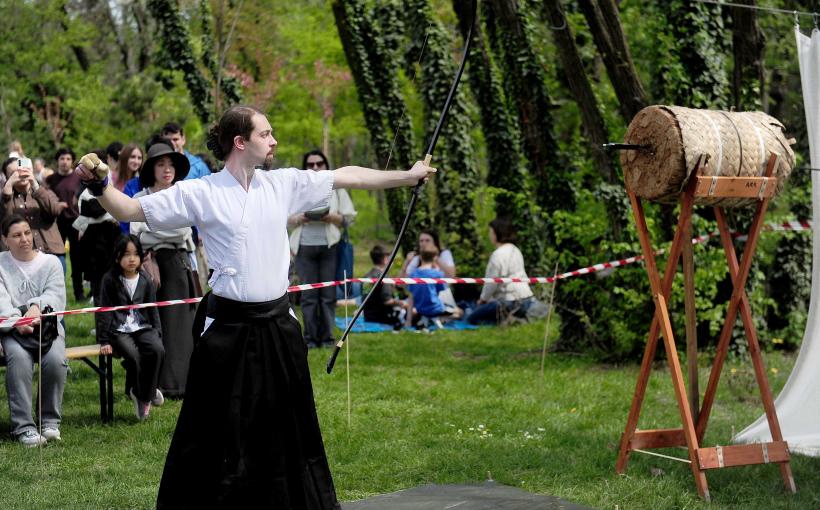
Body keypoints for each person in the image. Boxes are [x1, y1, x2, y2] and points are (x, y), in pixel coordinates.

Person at [74, 104, 435, 509]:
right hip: (226, 331)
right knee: (214, 433)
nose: (274, 140)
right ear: (240, 142)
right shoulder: (202, 191)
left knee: (288, 430)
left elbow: (347, 174)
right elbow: (130, 210)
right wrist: (102, 184)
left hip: (279, 326)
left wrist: (408, 175)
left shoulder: (282, 184)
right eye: (266, 134)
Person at [129, 142, 197, 399]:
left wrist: (152, 227)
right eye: (160, 164)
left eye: (171, 164)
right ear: (151, 168)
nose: (167, 169)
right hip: (147, 265)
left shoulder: (183, 194)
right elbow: (135, 232)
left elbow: (183, 230)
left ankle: (177, 383)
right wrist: (159, 229)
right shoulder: (140, 198)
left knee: (178, 325)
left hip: (177, 264)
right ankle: (146, 382)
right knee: (149, 324)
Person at [0, 215, 67, 446]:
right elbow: (1, 302)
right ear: (5, 239)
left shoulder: (51, 263)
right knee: (18, 360)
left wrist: (36, 307)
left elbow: (56, 295)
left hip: (47, 328)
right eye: (17, 235)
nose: (24, 239)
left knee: (56, 360)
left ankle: (49, 422)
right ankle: (24, 427)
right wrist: (20, 321)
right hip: (11, 329)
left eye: (27, 233)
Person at [288, 149, 357, 348]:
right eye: (311, 164)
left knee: (327, 295)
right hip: (303, 248)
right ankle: (310, 339)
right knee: (309, 296)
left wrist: (332, 217)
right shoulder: (296, 188)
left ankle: (327, 338)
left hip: (330, 246)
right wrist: (299, 218)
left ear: (326, 165)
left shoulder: (337, 187)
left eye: (319, 163)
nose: (316, 167)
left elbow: (348, 219)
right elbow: (284, 218)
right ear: (305, 167)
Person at [97, 235, 164, 420]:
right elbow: (104, 311)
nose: (132, 259)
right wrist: (103, 340)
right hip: (117, 330)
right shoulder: (109, 280)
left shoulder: (146, 280)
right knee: (133, 357)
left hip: (143, 326)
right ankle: (146, 395)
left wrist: (158, 332)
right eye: (126, 254)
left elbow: (153, 309)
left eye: (136, 254)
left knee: (157, 350)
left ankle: (143, 394)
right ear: (118, 257)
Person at [466, 216, 535, 324]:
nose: (489, 235)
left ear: (496, 234)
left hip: (508, 302)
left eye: (491, 232)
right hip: (526, 300)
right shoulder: (515, 250)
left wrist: (482, 300)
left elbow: (491, 282)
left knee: (471, 317)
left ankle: (506, 320)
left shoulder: (497, 255)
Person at [1, 158, 66, 259]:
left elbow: (55, 210)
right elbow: (5, 221)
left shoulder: (44, 191)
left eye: (22, 169)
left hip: (52, 252)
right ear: (7, 177)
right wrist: (8, 189)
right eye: (14, 172)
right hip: (24, 257)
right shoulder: (5, 199)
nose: (20, 173)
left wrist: (35, 185)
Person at [45, 148, 85, 301]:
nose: (65, 162)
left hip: (76, 222)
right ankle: (55, 293)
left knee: (77, 259)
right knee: (56, 259)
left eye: (68, 159)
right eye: (62, 158)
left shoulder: (78, 177)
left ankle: (79, 293)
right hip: (56, 224)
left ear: (72, 161)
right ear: (57, 161)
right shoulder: (50, 180)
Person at [73, 188, 122, 304]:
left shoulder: (111, 189)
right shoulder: (86, 195)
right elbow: (95, 211)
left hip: (110, 235)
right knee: (97, 279)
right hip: (94, 239)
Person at [406, 248, 463, 329]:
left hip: (420, 309)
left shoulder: (413, 274)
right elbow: (442, 291)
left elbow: (411, 297)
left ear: (421, 258)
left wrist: (408, 320)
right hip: (435, 309)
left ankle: (430, 320)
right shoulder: (437, 274)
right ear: (434, 258)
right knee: (459, 312)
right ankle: (441, 319)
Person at [362, 244, 408, 329]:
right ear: (385, 259)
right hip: (381, 318)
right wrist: (403, 304)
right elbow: (387, 301)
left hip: (368, 316)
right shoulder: (384, 278)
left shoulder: (367, 276)